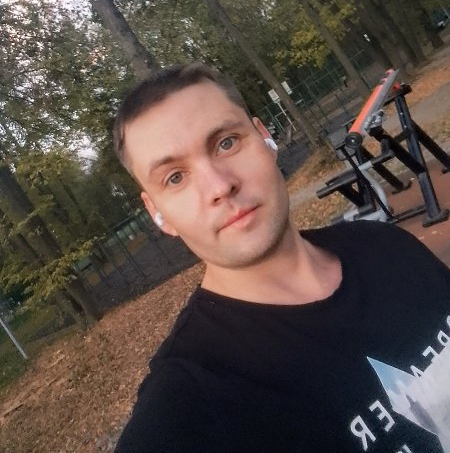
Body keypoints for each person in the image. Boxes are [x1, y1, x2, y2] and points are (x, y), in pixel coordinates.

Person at [113, 63, 450, 453]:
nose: (220, 186)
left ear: (265, 138)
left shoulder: (387, 245)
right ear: (157, 213)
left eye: (226, 143)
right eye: (175, 177)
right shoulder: (188, 403)